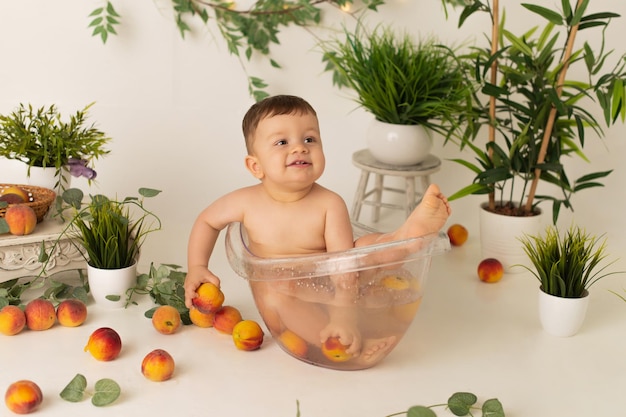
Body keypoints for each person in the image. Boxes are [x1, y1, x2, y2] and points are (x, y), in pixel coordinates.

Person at [184, 95, 451, 364]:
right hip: (284, 290)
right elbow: (207, 221)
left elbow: (344, 270)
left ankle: (403, 240)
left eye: (310, 139)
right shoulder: (245, 202)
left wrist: (342, 318)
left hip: (329, 282)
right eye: (282, 142)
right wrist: (197, 266)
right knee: (279, 296)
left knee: (361, 250)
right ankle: (342, 342)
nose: (300, 148)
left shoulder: (329, 204)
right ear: (256, 166)